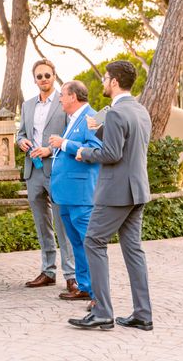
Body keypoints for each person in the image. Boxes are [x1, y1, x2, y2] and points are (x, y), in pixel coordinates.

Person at [69, 60, 153, 331]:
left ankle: (103, 311)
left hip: (116, 191)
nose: (103, 82)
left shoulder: (116, 113)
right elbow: (128, 147)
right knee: (134, 250)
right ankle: (143, 314)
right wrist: (100, 130)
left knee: (93, 241)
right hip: (138, 190)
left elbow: (112, 154)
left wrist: (84, 153)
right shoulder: (141, 111)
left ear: (114, 82)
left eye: (105, 78)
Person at [16, 59, 76, 291]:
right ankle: (48, 271)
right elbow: (20, 133)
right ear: (34, 79)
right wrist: (22, 142)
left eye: (47, 75)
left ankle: (71, 275)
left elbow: (71, 136)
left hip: (57, 170)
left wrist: (50, 149)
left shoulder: (64, 102)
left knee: (62, 223)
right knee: (42, 224)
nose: (43, 79)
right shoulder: (27, 105)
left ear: (54, 76)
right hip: (33, 171)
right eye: (39, 76)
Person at [49, 81, 101, 302]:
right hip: (65, 194)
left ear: (73, 97)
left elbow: (96, 151)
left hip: (81, 194)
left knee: (88, 243)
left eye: (62, 95)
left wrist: (64, 144)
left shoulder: (92, 118)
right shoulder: (72, 119)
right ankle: (85, 286)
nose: (59, 98)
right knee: (77, 244)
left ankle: (98, 295)